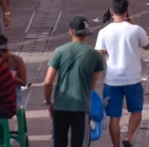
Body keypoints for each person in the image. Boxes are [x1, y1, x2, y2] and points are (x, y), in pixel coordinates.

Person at [95, 0, 149, 147]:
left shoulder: (103, 32)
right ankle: (128, 136)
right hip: (133, 79)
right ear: (127, 11)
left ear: (111, 11)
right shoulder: (136, 30)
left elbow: (99, 57)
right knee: (136, 111)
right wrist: (133, 23)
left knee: (114, 117)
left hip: (112, 80)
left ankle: (116, 146)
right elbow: (148, 46)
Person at [44, 16, 106, 147]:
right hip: (81, 106)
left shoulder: (59, 51)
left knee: (59, 142)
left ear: (70, 31)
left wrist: (48, 101)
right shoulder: (94, 55)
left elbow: (48, 82)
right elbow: (92, 85)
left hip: (60, 106)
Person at [0, 34, 28, 108]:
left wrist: (7, 75)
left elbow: (23, 82)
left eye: (0, 55)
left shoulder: (17, 60)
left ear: (6, 51)